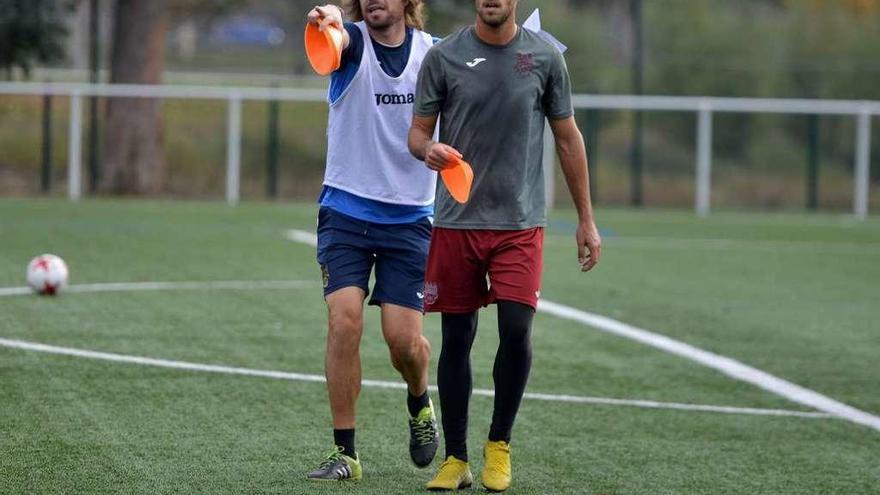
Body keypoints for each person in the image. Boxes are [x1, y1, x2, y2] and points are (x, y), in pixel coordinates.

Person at [408, 0, 601, 491]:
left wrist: (586, 219)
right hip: (457, 221)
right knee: (457, 338)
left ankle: (500, 446)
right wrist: (426, 149)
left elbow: (568, 138)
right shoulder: (444, 57)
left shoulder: (545, 58)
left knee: (516, 329)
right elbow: (417, 133)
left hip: (520, 223)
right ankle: (456, 458)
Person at [304, 0, 441, 482]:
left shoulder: (435, 56)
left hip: (410, 220)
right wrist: (329, 23)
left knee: (404, 344)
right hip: (345, 210)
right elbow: (334, 40)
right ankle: (346, 453)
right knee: (344, 322)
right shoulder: (351, 42)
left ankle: (420, 401)